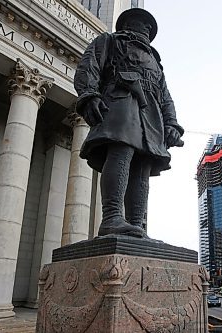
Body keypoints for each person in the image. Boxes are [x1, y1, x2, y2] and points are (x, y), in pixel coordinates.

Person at [74, 8, 184, 238]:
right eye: (142, 23)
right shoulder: (110, 41)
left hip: (150, 116)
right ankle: (112, 217)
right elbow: (89, 66)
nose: (145, 28)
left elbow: (165, 96)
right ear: (127, 24)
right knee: (121, 151)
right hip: (120, 103)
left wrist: (172, 124)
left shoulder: (156, 62)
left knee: (143, 165)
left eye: (149, 27)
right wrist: (89, 95)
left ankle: (137, 223)